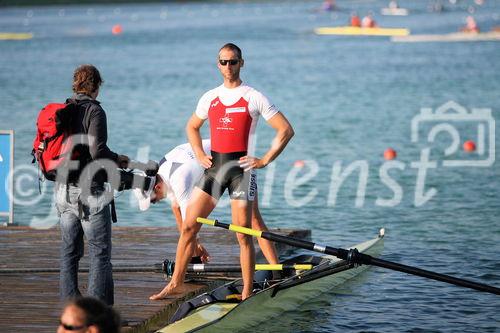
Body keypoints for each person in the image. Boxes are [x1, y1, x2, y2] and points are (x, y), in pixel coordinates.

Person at [150, 43, 294, 301]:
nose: (229, 67)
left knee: (243, 234)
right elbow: (192, 126)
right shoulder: (210, 97)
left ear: (242, 63)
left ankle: (247, 292)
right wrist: (199, 153)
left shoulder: (253, 96)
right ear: (218, 65)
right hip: (215, 168)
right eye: (224, 62)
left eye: (233, 62)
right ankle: (175, 284)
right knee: (188, 228)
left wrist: (265, 160)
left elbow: (285, 130)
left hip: (242, 172)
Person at [133, 140, 279, 265]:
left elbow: (189, 227)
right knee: (185, 218)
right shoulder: (162, 172)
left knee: (253, 219)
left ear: (157, 187)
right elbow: (177, 209)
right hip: (218, 165)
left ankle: (276, 269)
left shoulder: (179, 181)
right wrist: (195, 247)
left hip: (239, 159)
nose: (156, 202)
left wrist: (194, 243)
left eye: (152, 200)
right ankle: (195, 259)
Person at [55, 64, 129, 306]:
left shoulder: (65, 108)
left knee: (69, 253)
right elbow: (98, 151)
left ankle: (71, 311)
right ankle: (97, 315)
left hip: (63, 190)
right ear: (96, 86)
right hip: (90, 192)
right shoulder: (94, 111)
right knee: (99, 254)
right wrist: (118, 159)